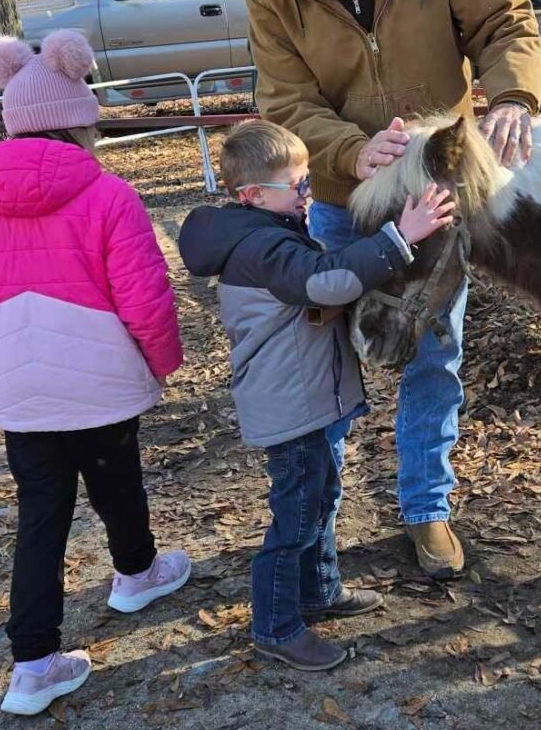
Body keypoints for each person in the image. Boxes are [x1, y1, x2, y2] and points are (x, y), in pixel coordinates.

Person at [227, 0, 541, 578]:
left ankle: (427, 508)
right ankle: (319, 517)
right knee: (326, 360)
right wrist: (347, 151)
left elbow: (506, 22)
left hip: (434, 190)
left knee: (433, 351)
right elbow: (285, 101)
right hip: (340, 197)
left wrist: (510, 96)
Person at [0, 30, 189, 715]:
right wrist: (161, 362)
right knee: (118, 483)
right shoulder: (110, 196)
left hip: (22, 392)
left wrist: (2, 366)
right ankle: (136, 572)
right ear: (78, 120)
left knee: (41, 517)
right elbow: (145, 297)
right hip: (101, 382)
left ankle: (31, 664)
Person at [178, 120, 455, 670]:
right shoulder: (261, 245)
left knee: (322, 498)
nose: (307, 193)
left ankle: (320, 590)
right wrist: (400, 237)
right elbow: (325, 281)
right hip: (291, 408)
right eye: (297, 185)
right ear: (253, 195)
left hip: (305, 399)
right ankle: (276, 627)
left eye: (307, 181)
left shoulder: (267, 229)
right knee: (296, 518)